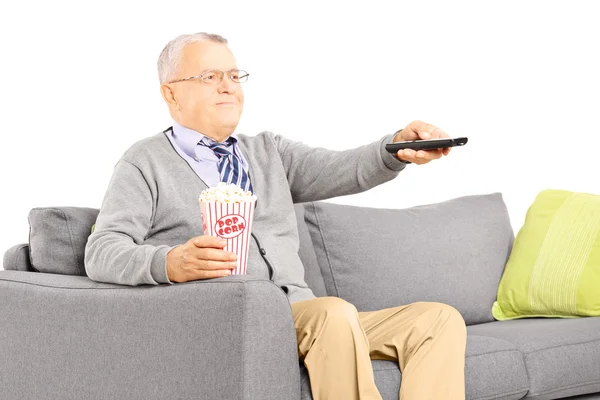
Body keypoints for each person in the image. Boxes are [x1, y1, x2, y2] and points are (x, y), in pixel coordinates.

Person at [84, 32, 467, 400]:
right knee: (333, 313)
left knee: (437, 320)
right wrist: (170, 261)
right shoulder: (144, 162)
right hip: (234, 318)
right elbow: (101, 251)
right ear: (171, 92)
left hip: (302, 314)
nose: (228, 86)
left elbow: (344, 167)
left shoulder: (268, 152)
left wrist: (396, 147)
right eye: (210, 76)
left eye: (234, 75)